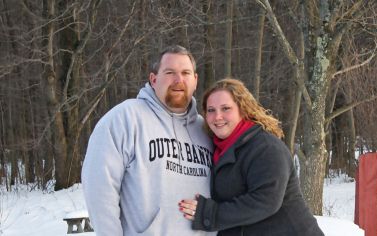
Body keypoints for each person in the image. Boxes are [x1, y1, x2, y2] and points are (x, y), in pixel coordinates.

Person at [82, 45, 216, 236]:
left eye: (186, 73)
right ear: (154, 79)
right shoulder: (125, 118)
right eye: (170, 72)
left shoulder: (206, 130)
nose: (178, 80)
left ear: (195, 80)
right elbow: (99, 189)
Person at [179, 78, 324, 235]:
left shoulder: (265, 147)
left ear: (242, 109)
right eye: (211, 110)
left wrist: (209, 214)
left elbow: (265, 201)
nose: (217, 117)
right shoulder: (218, 148)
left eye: (226, 108)